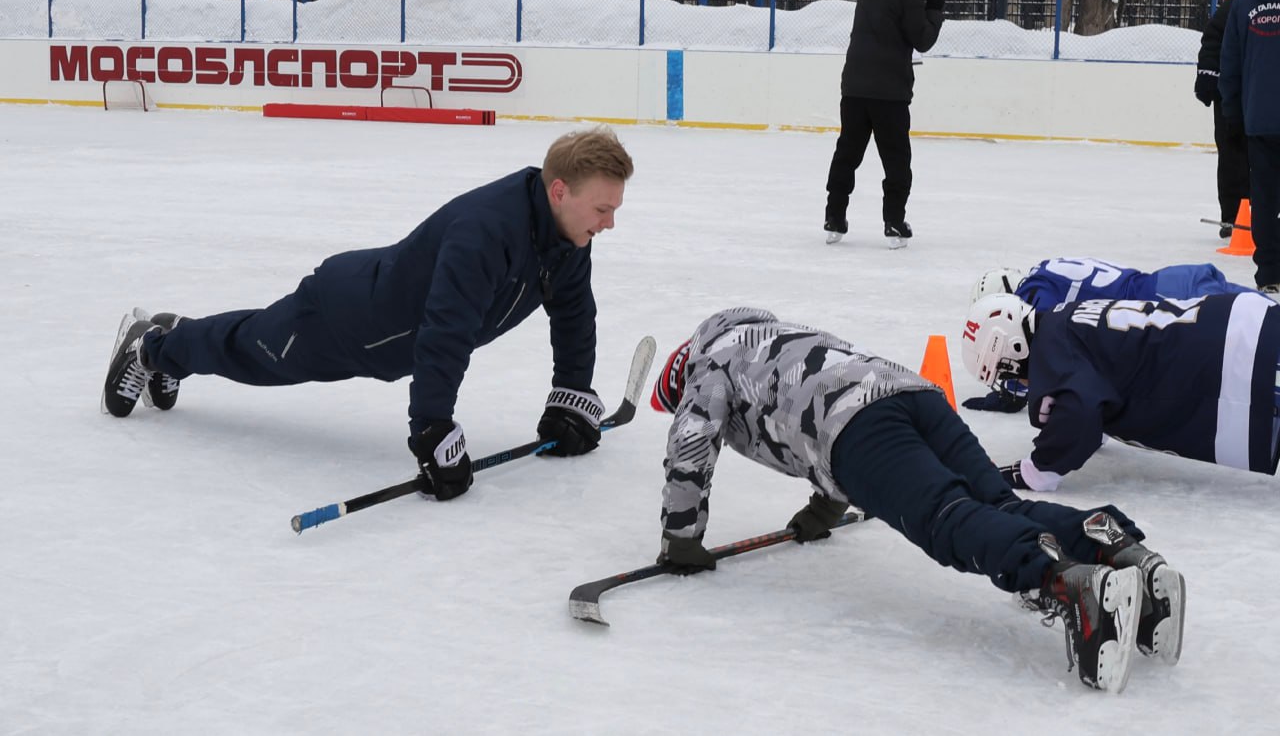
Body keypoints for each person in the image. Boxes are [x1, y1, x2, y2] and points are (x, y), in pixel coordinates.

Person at [650, 307, 1185, 693]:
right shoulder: (766, 335)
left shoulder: (705, 367)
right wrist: (825, 506)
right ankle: (1123, 555)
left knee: (947, 519)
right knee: (1000, 504)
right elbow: (801, 397)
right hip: (910, 392)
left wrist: (681, 539)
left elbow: (691, 441)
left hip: (856, 429)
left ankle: (1070, 586)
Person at [101, 126, 634, 501]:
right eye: (603, 209)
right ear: (559, 190)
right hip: (345, 316)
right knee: (252, 353)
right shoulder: (486, 232)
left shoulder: (566, 236)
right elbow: (446, 331)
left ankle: (169, 345)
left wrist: (572, 392)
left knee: (251, 349)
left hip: (389, 343)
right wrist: (431, 428)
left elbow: (573, 312)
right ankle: (153, 346)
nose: (608, 224)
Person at [960, 291, 1280, 495]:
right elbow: (1111, 371)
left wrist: (1035, 470)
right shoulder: (1065, 317)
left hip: (1236, 363)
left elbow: (1080, 413)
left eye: (1009, 375)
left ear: (1014, 348)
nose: (1022, 386)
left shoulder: (1051, 348)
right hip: (1243, 322)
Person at [963, 257, 1258, 412]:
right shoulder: (1045, 270)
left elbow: (1049, 359)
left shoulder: (1034, 297)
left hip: (1172, 307)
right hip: (1179, 279)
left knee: (1259, 361)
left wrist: (1008, 396)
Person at [823, 0, 945, 249]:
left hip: (853, 89)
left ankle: (834, 217)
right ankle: (893, 222)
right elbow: (923, 40)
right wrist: (935, 9)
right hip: (889, 94)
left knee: (847, 153)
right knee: (896, 159)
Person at [1220, 0, 1280, 291]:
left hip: (1258, 119)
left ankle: (1269, 275)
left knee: (1265, 198)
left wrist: (1232, 113)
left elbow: (1229, 62)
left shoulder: (1246, 1)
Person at [1196, 0, 1250, 240]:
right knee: (1231, 153)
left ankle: (1263, 214)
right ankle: (1232, 216)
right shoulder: (1240, 3)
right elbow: (1213, 38)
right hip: (1230, 91)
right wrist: (1208, 77)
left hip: (1263, 94)